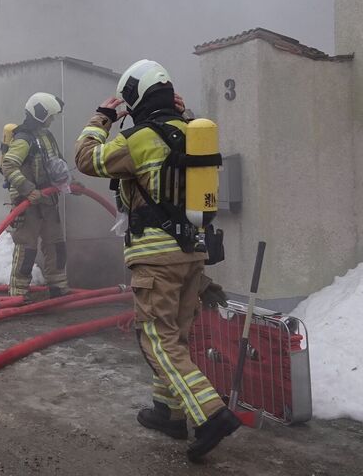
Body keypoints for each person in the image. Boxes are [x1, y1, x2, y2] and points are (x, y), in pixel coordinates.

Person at [74, 59, 239, 461]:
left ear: (137, 95)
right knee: (175, 337)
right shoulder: (190, 131)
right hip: (192, 254)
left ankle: (211, 414)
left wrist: (102, 117)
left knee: (157, 340)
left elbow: (86, 159)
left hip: (156, 257)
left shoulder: (141, 139)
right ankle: (168, 412)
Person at [0, 92, 70, 303]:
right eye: (51, 115)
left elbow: (56, 163)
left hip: (48, 201)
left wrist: (69, 182)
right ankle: (19, 293)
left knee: (56, 244)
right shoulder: (23, 139)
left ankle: (58, 287)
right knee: (27, 248)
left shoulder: (46, 137)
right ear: (41, 113)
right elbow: (8, 165)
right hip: (27, 204)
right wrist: (28, 189)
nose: (53, 119)